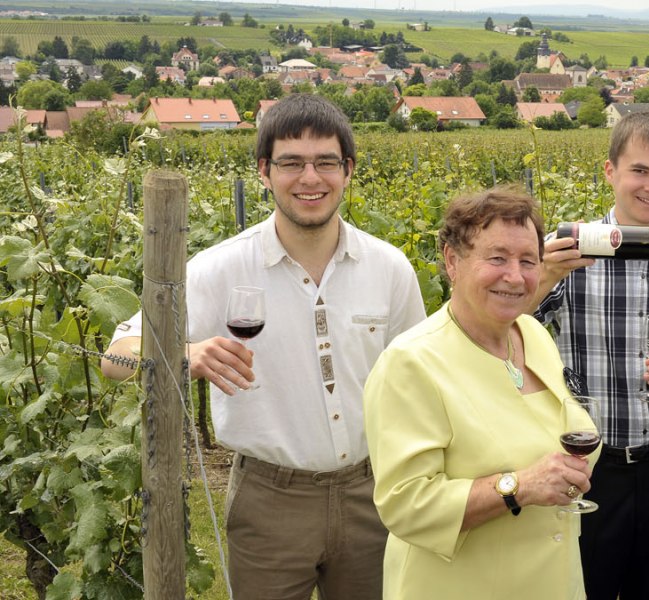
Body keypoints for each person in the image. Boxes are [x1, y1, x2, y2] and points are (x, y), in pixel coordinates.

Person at [101, 93, 427, 599]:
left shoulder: (390, 269)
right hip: (269, 501)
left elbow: (417, 376)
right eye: (291, 163)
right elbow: (115, 357)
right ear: (264, 171)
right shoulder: (219, 269)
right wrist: (187, 355)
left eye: (325, 162)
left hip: (374, 495)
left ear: (349, 169)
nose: (310, 178)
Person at [363, 187, 598, 599]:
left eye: (528, 261)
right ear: (453, 261)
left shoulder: (533, 334)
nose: (515, 275)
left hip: (552, 583)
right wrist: (518, 487)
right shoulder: (411, 363)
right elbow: (405, 504)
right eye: (497, 258)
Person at [532, 110, 649, 600]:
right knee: (583, 588)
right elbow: (507, 329)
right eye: (640, 170)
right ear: (610, 171)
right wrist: (547, 275)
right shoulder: (569, 250)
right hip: (588, 468)